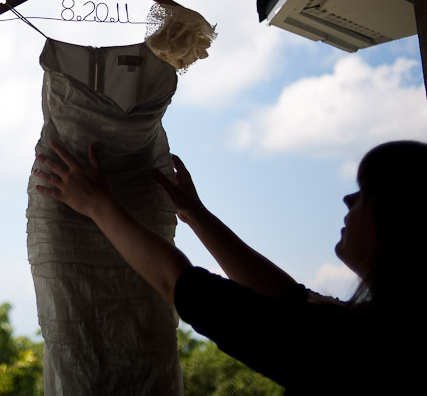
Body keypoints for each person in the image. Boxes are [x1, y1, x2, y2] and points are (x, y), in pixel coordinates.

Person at [32, 139, 425, 394]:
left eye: (366, 193)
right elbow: (291, 299)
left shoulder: (359, 350)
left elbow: (181, 286)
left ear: (400, 221)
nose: (347, 199)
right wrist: (196, 215)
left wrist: (98, 204)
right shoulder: (382, 333)